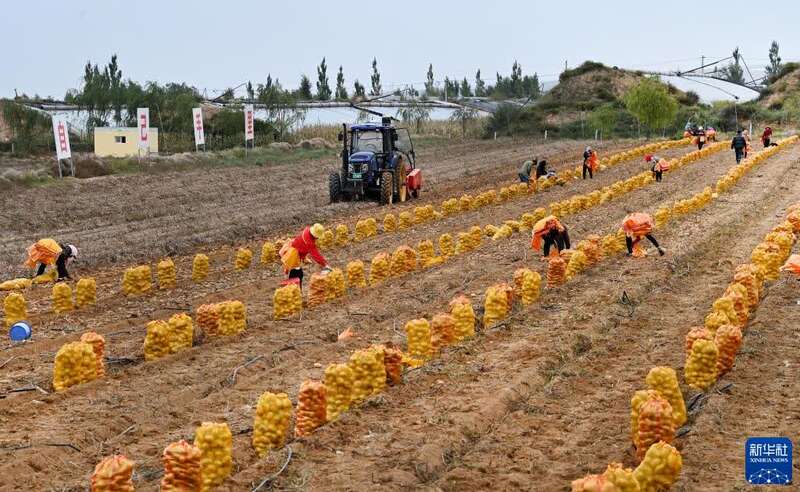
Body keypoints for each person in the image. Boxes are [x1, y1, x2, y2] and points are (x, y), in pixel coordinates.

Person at [279, 223, 330, 288]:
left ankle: (293, 288)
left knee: (297, 273)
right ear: (315, 235)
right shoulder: (309, 242)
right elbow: (315, 254)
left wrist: (304, 258)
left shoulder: (307, 230)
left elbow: (302, 246)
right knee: (297, 272)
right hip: (293, 254)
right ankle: (290, 289)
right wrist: (325, 264)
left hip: (295, 249)